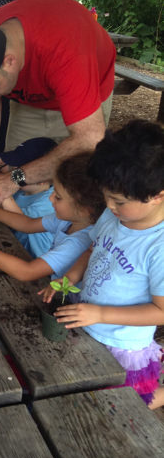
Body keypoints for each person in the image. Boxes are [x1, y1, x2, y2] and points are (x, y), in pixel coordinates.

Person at [41, 121, 164, 409]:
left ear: (158, 195)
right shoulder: (117, 216)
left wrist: (100, 313)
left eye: (119, 201)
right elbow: (95, 248)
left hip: (121, 345)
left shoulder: (158, 247)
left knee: (129, 405)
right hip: (89, 324)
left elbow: (161, 312)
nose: (108, 206)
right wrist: (70, 277)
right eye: (107, 195)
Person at [0, 0, 116, 205]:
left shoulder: (65, 48)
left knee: (74, 189)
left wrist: (15, 178)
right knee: (19, 179)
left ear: (9, 62)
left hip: (85, 94)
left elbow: (89, 140)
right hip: (32, 97)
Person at [0, 152, 105, 283]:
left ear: (85, 210)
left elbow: (26, 272)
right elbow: (28, 224)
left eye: (58, 197)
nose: (51, 198)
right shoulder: (68, 220)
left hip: (61, 297)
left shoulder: (79, 242)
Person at [0, 137, 56, 258]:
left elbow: (23, 222)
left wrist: (3, 193)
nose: (14, 174)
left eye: (20, 171)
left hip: (34, 259)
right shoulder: (23, 190)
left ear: (41, 178)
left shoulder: (49, 202)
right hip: (14, 244)